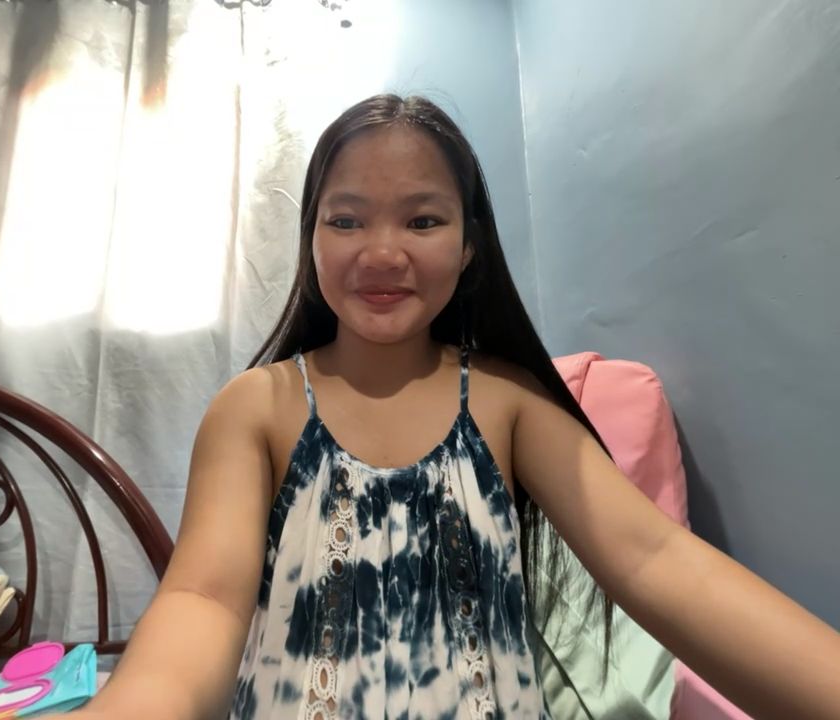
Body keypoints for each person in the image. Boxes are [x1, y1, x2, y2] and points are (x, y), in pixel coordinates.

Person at [52, 95, 840, 720]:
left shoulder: (508, 403)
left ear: (468, 248)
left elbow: (655, 559)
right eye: (345, 220)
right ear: (311, 240)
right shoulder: (256, 407)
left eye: (423, 220)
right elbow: (203, 598)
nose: (381, 251)